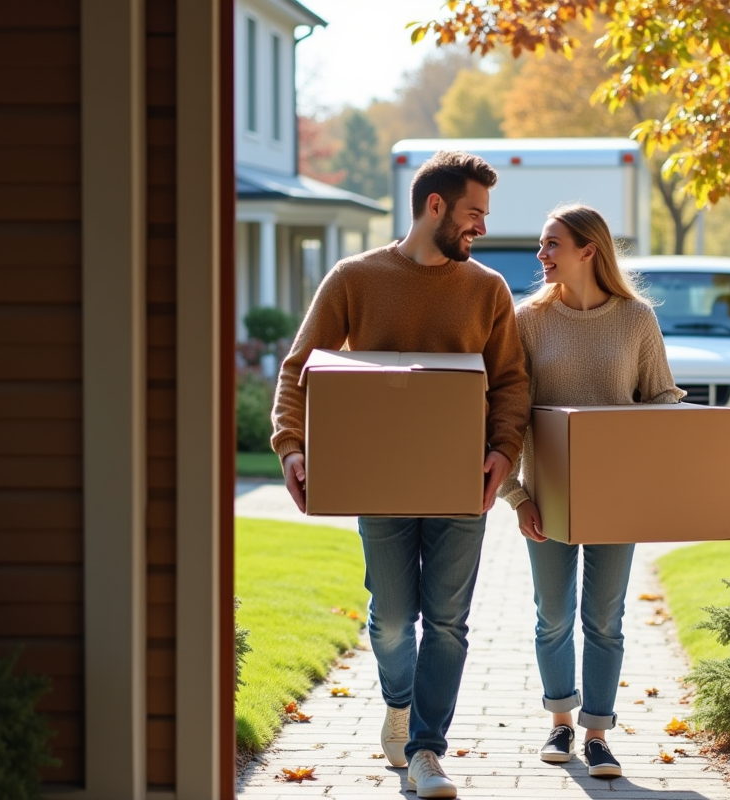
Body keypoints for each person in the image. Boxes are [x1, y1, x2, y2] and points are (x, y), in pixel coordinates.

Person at [270, 151, 530, 800]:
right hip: (378, 480)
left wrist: (504, 452)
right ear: (434, 206)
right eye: (473, 214)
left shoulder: (488, 290)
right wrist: (291, 446)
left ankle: (426, 751)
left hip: (461, 481)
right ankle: (399, 702)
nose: (482, 228)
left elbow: (510, 383)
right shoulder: (355, 279)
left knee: (446, 621)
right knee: (390, 619)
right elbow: (299, 367)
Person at [497, 203, 684, 778]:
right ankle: (560, 721)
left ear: (588, 251)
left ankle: (598, 733)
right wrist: (517, 495)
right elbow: (506, 414)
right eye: (542, 243)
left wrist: (644, 429)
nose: (541, 254)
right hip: (548, 498)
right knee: (552, 615)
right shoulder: (528, 320)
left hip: (616, 497)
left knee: (604, 618)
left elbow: (662, 396)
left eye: (552, 243)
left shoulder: (636, 319)